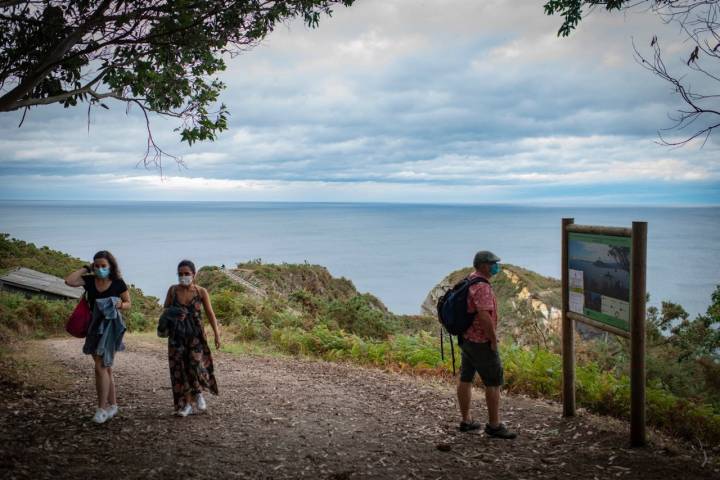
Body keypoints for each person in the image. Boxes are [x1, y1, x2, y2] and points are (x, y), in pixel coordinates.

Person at [65, 250, 130, 424]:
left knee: (100, 366)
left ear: (111, 266)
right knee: (105, 366)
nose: (100, 268)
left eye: (104, 266)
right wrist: (86, 268)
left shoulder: (117, 283)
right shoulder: (89, 281)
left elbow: (128, 303)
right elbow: (69, 281)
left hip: (110, 327)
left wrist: (120, 304)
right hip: (93, 327)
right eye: (97, 265)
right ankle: (113, 406)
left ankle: (101, 409)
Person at [456, 250, 517, 439]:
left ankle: (466, 421)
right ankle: (494, 425)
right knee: (493, 382)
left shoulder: (469, 279)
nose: (496, 266)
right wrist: (492, 340)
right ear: (483, 265)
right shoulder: (482, 287)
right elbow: (484, 316)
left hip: (467, 339)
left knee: (465, 379)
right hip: (481, 342)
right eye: (493, 263)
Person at [163, 260, 221, 416]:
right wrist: (174, 314)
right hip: (177, 336)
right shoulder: (173, 291)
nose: (183, 277)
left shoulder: (201, 292)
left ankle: (198, 392)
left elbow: (210, 313)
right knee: (180, 369)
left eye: (186, 274)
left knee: (195, 365)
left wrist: (217, 334)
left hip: (196, 335)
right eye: (180, 274)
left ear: (193, 275)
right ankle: (187, 404)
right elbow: (166, 309)